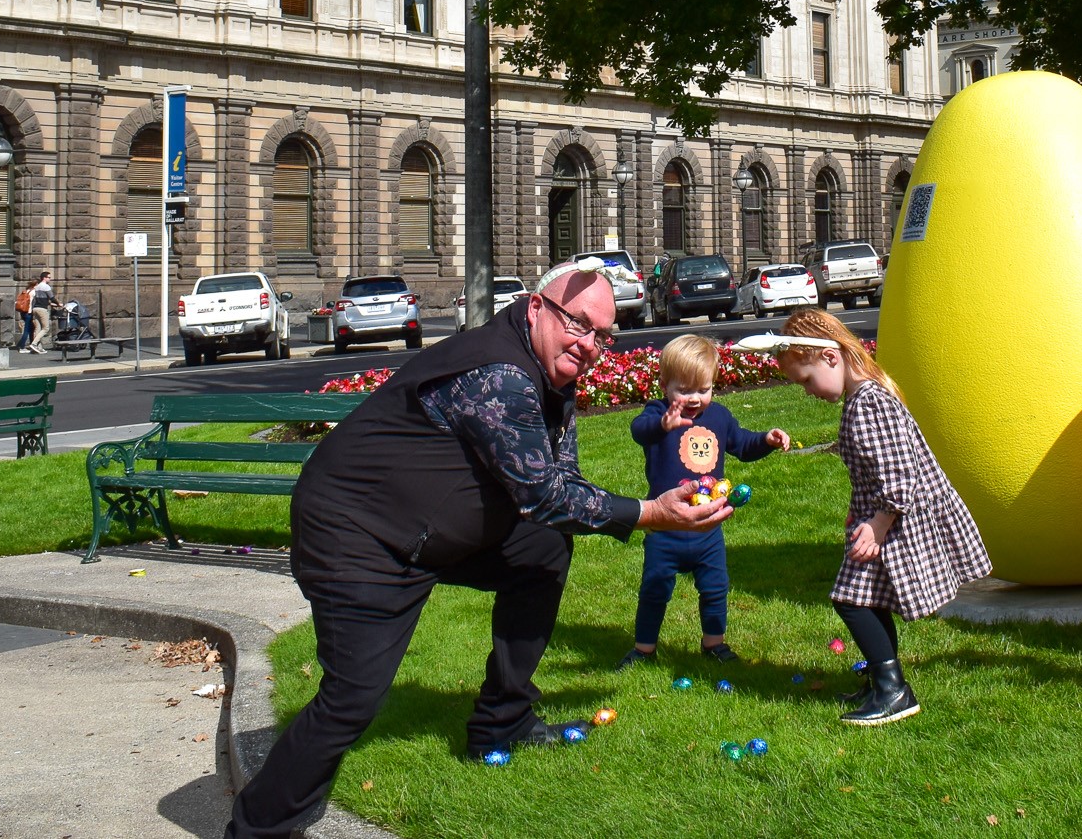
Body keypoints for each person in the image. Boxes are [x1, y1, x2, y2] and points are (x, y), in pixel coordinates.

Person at [224, 261, 728, 839]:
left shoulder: (551, 379)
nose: (590, 346)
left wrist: (648, 505)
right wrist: (652, 514)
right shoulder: (501, 374)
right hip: (356, 535)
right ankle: (256, 830)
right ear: (538, 309)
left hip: (428, 532)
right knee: (351, 701)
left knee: (542, 549)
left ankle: (502, 722)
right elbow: (545, 493)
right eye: (579, 325)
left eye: (602, 336)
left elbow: (562, 487)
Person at [750, 309, 989, 726]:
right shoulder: (864, 396)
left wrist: (877, 524)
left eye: (805, 380)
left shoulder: (868, 404)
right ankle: (883, 681)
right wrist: (857, 509)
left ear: (830, 358)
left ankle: (894, 689)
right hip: (882, 516)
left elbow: (899, 474)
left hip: (895, 520)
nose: (806, 391)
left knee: (851, 600)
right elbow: (872, 468)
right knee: (868, 599)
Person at [619, 334, 790, 669]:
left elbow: (742, 444)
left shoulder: (719, 418)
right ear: (664, 385)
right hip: (665, 526)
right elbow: (639, 430)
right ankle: (644, 648)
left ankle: (714, 643)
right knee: (654, 589)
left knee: (715, 588)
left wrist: (766, 441)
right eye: (685, 390)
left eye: (704, 389)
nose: (695, 399)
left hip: (707, 529)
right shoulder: (656, 413)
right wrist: (663, 424)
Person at [25, 270, 55, 353]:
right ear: (44, 278)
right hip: (42, 309)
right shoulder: (46, 286)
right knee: (46, 328)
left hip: (35, 309)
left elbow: (39, 298)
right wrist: (58, 303)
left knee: (38, 328)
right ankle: (34, 344)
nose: (50, 279)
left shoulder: (37, 287)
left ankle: (38, 347)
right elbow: (52, 297)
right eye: (49, 277)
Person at [13, 280, 35, 350]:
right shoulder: (34, 292)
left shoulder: (27, 290)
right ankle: (21, 346)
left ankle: (32, 344)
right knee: (27, 330)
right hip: (29, 312)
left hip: (23, 312)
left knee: (31, 329)